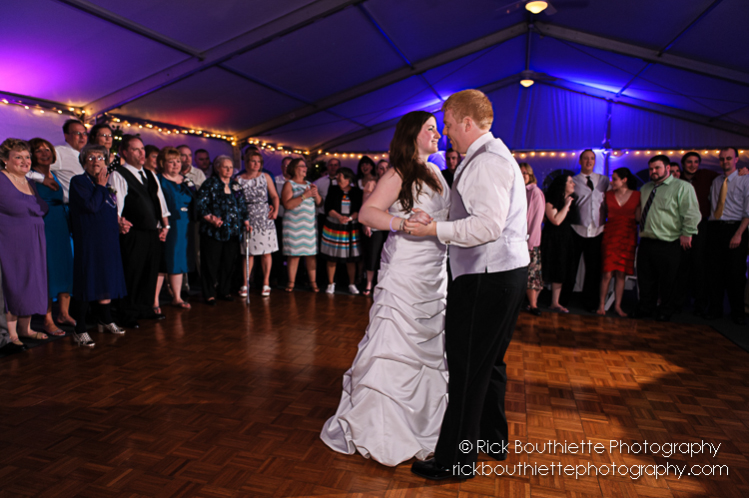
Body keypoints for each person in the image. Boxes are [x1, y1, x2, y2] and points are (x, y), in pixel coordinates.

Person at [406, 90, 529, 480]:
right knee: (490, 363)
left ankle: (455, 461)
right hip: (505, 275)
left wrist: (433, 229)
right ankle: (492, 439)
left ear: (466, 122)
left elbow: (487, 226)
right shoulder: (495, 156)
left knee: (467, 368)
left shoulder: (486, 163)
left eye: (447, 123)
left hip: (485, 278)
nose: (446, 132)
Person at [321, 110, 450, 466]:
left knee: (428, 345)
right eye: (430, 130)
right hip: (406, 269)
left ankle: (424, 421)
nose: (437, 135)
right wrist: (402, 223)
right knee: (394, 342)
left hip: (433, 272)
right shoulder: (399, 171)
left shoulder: (436, 171)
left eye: (437, 130)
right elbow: (367, 213)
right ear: (413, 135)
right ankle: (382, 425)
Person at [69, 144, 128, 346]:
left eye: (100, 157)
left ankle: (106, 319)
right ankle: (80, 329)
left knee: (107, 279)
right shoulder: (79, 182)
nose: (96, 161)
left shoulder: (107, 183)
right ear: (84, 161)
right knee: (88, 282)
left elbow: (108, 209)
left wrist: (120, 223)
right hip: (89, 241)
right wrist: (101, 187)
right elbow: (92, 206)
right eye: (91, 157)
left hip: (109, 239)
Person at [110, 135, 170, 326]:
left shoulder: (150, 175)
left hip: (153, 232)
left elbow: (160, 202)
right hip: (132, 232)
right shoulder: (119, 174)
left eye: (143, 149)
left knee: (150, 272)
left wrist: (164, 226)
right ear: (124, 152)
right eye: (136, 149)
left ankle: (145, 308)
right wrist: (119, 222)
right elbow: (116, 205)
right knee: (132, 273)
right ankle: (127, 313)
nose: (142, 153)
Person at [634, 155, 700, 322]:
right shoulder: (646, 188)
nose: (653, 172)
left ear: (667, 168)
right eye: (651, 169)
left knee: (668, 280)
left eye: (657, 168)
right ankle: (646, 308)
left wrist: (688, 233)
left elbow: (691, 212)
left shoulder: (682, 187)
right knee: (646, 279)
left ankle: (665, 310)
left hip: (669, 241)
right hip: (647, 240)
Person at [0, 138, 49, 348]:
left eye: (27, 157)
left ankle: (25, 328)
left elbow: (40, 208)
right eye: (18, 157)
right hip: (12, 241)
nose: (25, 161)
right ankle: (10, 334)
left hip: (34, 241)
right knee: (14, 284)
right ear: (4, 160)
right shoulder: (2, 180)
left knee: (31, 281)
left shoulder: (28, 181)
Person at [30, 137, 75, 335]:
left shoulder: (55, 175)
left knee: (65, 267)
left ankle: (64, 313)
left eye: (47, 149)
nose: (45, 153)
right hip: (43, 226)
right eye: (39, 150)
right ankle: (47, 318)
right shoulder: (29, 176)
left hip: (61, 225)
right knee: (47, 271)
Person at [196, 155, 250, 304]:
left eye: (231, 167)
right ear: (218, 168)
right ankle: (209, 294)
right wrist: (210, 218)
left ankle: (224, 291)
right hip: (213, 231)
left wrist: (246, 221)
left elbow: (242, 205)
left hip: (232, 231)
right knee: (210, 263)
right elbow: (200, 204)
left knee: (228, 263)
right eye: (225, 167)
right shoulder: (210, 183)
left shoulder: (235, 185)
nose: (228, 170)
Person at [706, 147, 749, 324]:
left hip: (735, 228)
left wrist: (738, 234)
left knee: (736, 273)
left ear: (737, 160)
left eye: (729, 158)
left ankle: (738, 313)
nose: (725, 162)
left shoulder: (745, 179)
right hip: (715, 228)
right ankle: (715, 310)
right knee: (715, 272)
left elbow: (748, 212)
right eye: (722, 159)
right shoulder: (716, 181)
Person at [565, 149, 609, 310]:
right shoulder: (573, 181)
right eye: (585, 159)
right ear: (580, 161)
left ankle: (589, 303)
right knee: (571, 266)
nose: (589, 161)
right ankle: (564, 300)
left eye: (591, 159)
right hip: (577, 229)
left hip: (597, 230)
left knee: (594, 269)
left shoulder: (604, 180)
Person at [677, 151, 717, 315]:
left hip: (702, 225)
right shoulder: (677, 181)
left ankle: (700, 304)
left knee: (699, 265)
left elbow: (728, 175)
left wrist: (744, 171)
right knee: (681, 265)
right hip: (679, 226)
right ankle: (679, 303)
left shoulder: (707, 175)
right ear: (683, 164)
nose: (692, 165)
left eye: (695, 162)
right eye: (689, 162)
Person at [596, 168, 641, 317]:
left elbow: (639, 218)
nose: (611, 182)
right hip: (611, 234)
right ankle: (601, 305)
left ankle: (617, 306)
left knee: (621, 274)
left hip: (628, 235)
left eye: (614, 179)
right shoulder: (607, 195)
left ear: (624, 180)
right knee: (607, 273)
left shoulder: (637, 195)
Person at [155, 147, 193, 310]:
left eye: (178, 161)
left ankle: (177, 297)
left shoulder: (185, 180)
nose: (176, 164)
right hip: (167, 225)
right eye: (171, 162)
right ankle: (155, 300)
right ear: (163, 163)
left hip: (185, 225)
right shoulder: (158, 180)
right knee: (163, 262)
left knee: (179, 260)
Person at [237, 149, 279, 297]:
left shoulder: (265, 177)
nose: (256, 164)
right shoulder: (238, 179)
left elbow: (274, 196)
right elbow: (236, 200)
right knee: (248, 253)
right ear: (247, 162)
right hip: (247, 216)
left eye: (259, 161)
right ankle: (245, 282)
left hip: (264, 215)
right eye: (253, 161)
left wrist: (275, 211)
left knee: (266, 252)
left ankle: (266, 282)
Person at [281, 158, 321, 292]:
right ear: (295, 168)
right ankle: (291, 283)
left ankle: (313, 282)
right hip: (294, 225)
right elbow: (287, 204)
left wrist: (315, 194)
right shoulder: (289, 184)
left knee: (311, 255)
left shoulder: (309, 184)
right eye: (302, 166)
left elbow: (319, 203)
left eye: (305, 166)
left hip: (309, 225)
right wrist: (304, 196)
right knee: (294, 255)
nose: (305, 168)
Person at [321, 167, 363, 295]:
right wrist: (339, 217)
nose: (338, 180)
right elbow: (328, 207)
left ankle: (351, 284)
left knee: (351, 257)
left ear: (348, 179)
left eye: (340, 177)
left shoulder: (356, 191)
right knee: (332, 256)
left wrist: (349, 218)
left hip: (350, 227)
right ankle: (330, 283)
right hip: (334, 225)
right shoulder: (333, 189)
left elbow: (359, 209)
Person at [541, 173, 576, 313]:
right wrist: (566, 205)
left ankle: (555, 302)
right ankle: (534, 301)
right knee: (546, 267)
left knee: (561, 268)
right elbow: (556, 220)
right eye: (570, 182)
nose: (573, 184)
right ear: (563, 185)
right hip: (552, 238)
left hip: (565, 238)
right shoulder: (551, 199)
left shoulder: (572, 199)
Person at [360, 160, 390, 296]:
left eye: (386, 168)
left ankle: (384, 284)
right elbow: (365, 205)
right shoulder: (371, 184)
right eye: (380, 168)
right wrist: (366, 224)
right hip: (376, 224)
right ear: (377, 170)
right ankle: (369, 284)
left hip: (391, 224)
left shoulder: (395, 182)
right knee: (373, 254)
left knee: (388, 255)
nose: (383, 170)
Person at [520, 163, 544, 316]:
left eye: (525, 173)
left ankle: (533, 305)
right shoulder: (518, 191)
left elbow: (535, 220)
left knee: (532, 274)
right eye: (520, 173)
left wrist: (530, 244)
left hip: (529, 241)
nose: (522, 176)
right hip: (521, 240)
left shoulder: (534, 192)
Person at [49, 119, 87, 203]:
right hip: (70, 206)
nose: (82, 137)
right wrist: (43, 179)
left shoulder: (86, 155)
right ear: (66, 136)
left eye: (84, 133)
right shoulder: (59, 152)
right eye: (77, 133)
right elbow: (36, 167)